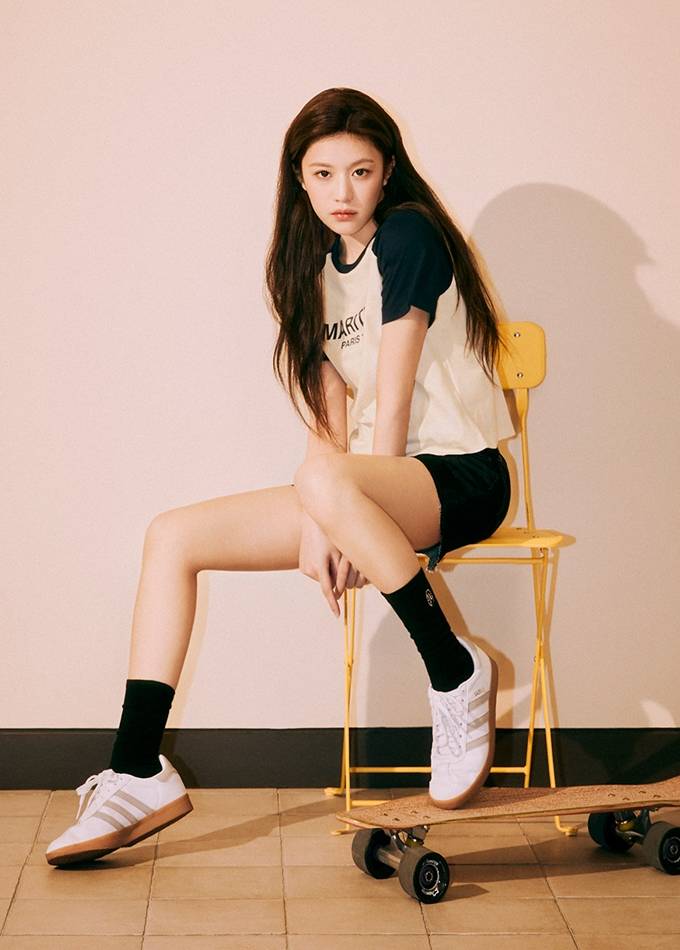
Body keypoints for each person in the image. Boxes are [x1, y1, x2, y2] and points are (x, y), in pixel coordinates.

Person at [45, 87, 515, 867]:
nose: (342, 192)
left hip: (459, 476)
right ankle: (135, 768)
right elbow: (328, 421)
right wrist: (331, 511)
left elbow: (392, 393)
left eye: (360, 171)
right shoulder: (312, 272)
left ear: (388, 171)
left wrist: (340, 506)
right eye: (323, 174)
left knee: (323, 482)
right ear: (299, 179)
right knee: (171, 536)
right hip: (368, 489)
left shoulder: (408, 235)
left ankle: (454, 668)